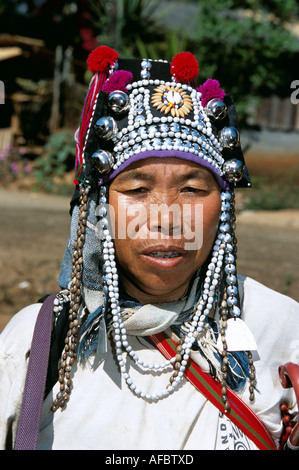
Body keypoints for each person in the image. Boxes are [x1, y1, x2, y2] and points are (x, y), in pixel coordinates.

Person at [0, 46, 298, 451]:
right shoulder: (37, 341)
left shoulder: (280, 326)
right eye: (137, 189)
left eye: (193, 189)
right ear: (99, 210)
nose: (166, 216)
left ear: (223, 206)